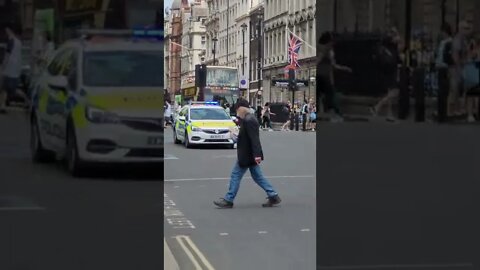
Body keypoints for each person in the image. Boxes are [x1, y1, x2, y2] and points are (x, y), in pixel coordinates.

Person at [214, 98, 281, 208]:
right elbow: (246, 138)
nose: (237, 113)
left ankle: (229, 199)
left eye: (237, 110)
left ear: (242, 109)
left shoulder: (249, 120)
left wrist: (257, 155)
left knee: (235, 175)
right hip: (249, 154)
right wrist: (235, 135)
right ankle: (273, 195)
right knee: (258, 177)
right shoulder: (248, 119)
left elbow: (254, 139)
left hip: (247, 154)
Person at [317, 31, 352, 123]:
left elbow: (333, 65)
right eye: (331, 41)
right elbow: (319, 61)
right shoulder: (324, 50)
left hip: (323, 76)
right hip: (322, 77)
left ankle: (333, 113)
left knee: (326, 95)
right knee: (331, 96)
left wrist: (344, 68)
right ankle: (337, 114)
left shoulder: (326, 50)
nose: (332, 43)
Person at [370, 27, 403, 122]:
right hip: (390, 69)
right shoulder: (389, 40)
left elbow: (399, 48)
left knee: (390, 92)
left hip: (389, 68)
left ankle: (389, 114)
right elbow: (400, 41)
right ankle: (377, 106)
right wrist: (396, 32)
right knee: (396, 91)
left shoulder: (389, 43)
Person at [0, 24, 28, 114]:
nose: (6, 32)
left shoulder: (11, 41)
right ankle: (3, 106)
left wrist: (3, 66)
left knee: (9, 89)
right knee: (7, 89)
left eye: (7, 30)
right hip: (15, 70)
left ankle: (27, 100)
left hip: (9, 69)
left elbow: (7, 56)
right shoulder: (18, 42)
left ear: (10, 30)